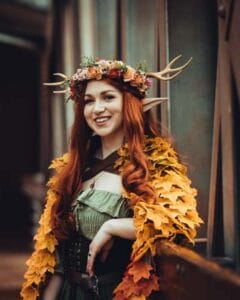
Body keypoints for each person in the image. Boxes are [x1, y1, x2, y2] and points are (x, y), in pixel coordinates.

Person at [21, 57, 202, 300]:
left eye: (108, 97)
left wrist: (113, 226)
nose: (97, 109)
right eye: (89, 101)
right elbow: (56, 261)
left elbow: (177, 223)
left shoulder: (154, 163)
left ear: (131, 104)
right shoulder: (73, 167)